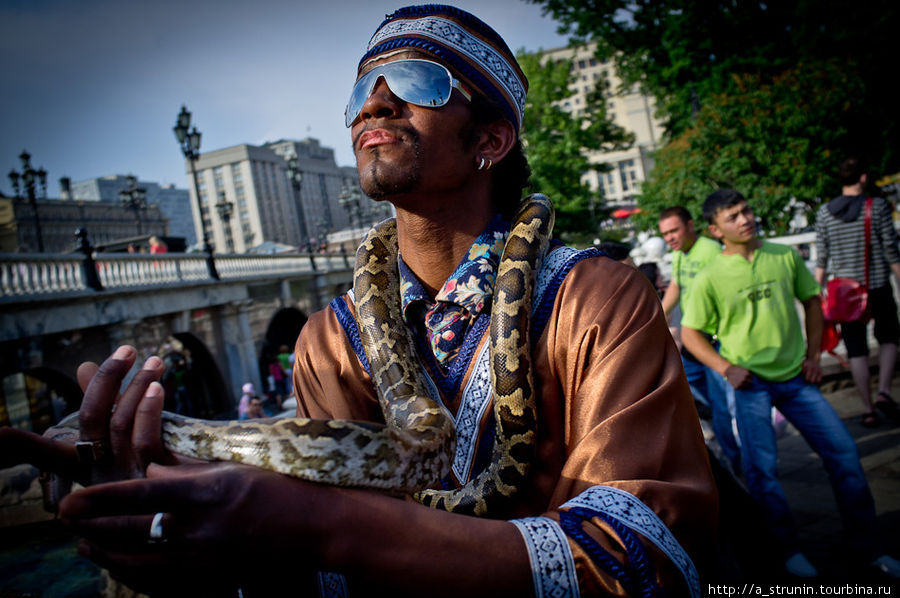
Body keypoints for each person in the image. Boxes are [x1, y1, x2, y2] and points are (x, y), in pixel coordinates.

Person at [3, 6, 717, 596]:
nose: (374, 101)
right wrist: (176, 547)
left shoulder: (593, 297)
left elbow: (645, 552)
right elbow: (329, 583)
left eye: (415, 82)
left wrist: (324, 523)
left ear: (491, 140)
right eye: (361, 90)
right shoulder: (328, 337)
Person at [681, 188, 900, 579]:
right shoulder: (711, 276)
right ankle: (787, 552)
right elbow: (691, 333)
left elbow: (813, 303)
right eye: (733, 216)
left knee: (845, 456)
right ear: (716, 230)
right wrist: (724, 367)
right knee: (762, 473)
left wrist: (814, 357)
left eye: (746, 210)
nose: (745, 218)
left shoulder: (782, 256)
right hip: (749, 386)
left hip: (797, 380)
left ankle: (868, 548)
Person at [814, 157, 900, 428]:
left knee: (856, 351)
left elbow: (821, 257)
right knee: (889, 338)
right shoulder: (877, 207)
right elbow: (891, 250)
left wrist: (817, 293)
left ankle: (868, 408)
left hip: (844, 294)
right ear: (863, 177)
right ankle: (884, 390)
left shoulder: (825, 213)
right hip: (876, 286)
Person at [658, 207, 739, 471]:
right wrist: (655, 316)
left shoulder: (711, 251)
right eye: (665, 233)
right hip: (690, 345)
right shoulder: (680, 253)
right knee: (691, 400)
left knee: (723, 408)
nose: (670, 238)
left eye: (674, 230)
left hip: (713, 344)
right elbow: (676, 287)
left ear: (690, 226)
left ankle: (737, 463)